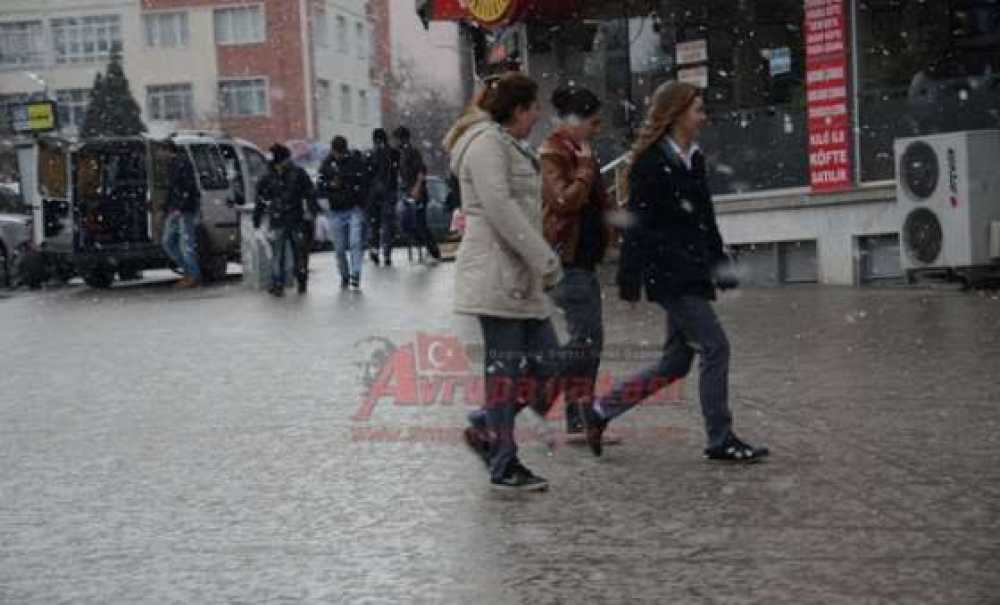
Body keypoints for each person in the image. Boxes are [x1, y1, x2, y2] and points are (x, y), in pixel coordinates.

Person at [585, 81, 769, 463]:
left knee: (675, 363)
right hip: (669, 274)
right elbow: (637, 224)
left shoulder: (694, 158)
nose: (703, 118)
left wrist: (720, 265)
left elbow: (705, 217)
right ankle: (720, 438)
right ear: (678, 114)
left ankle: (601, 411)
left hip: (693, 269)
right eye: (698, 110)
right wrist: (629, 279)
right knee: (716, 347)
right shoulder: (651, 162)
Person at [449, 72, 564, 491]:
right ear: (518, 110)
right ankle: (504, 463)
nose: (538, 115)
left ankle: (485, 426)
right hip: (496, 276)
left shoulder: (513, 146)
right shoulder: (486, 146)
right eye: (534, 107)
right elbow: (500, 208)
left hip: (522, 277)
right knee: (505, 374)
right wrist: (545, 259)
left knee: (552, 369)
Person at [540, 84, 615, 440]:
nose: (596, 130)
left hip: (582, 260)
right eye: (592, 122)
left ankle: (579, 418)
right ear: (574, 120)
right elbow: (563, 201)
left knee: (588, 340)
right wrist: (585, 169)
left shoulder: (577, 149)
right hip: (566, 261)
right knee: (586, 340)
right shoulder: (555, 151)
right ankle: (539, 384)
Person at [253, 143, 317, 297]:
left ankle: (291, 281)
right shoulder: (280, 175)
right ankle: (282, 283)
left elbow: (310, 193)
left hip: (290, 219)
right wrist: (258, 216)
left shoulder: (274, 175)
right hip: (286, 219)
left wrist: (311, 210)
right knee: (285, 254)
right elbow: (261, 199)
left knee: (291, 254)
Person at [319, 136, 369, 289]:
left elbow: (364, 183)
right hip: (335, 211)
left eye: (342, 152)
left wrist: (361, 201)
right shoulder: (326, 165)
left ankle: (356, 273)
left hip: (354, 208)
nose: (339, 155)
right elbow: (319, 187)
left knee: (355, 243)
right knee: (339, 248)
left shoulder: (354, 163)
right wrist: (330, 185)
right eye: (337, 153)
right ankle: (344, 275)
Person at [395, 126, 441, 261]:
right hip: (407, 193)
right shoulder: (401, 153)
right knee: (407, 223)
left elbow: (421, 171)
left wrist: (417, 188)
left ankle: (434, 252)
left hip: (418, 193)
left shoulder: (412, 152)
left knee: (421, 224)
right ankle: (422, 245)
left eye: (397, 139)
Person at [162, 143, 202, 288]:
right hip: (176, 209)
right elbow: (173, 189)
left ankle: (193, 275)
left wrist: (180, 206)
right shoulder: (173, 165)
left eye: (162, 152)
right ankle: (189, 272)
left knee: (185, 244)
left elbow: (187, 187)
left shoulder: (182, 164)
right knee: (169, 242)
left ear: (168, 151)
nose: (161, 156)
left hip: (184, 210)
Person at [365, 128, 399, 267]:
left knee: (374, 224)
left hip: (373, 194)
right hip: (389, 192)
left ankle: (374, 250)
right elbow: (396, 171)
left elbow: (366, 174)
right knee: (387, 224)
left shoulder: (370, 154)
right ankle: (386, 253)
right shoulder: (393, 153)